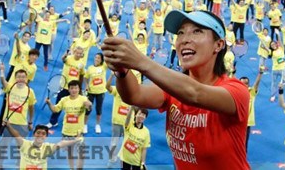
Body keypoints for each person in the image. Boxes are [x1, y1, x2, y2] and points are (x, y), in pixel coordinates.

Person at [101, 10, 250, 170]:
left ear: (218, 44)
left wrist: (141, 61)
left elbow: (195, 94)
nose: (184, 39)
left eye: (197, 31)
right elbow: (134, 95)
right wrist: (122, 71)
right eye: (180, 33)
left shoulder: (237, 91)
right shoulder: (173, 89)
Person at [45, 79, 92, 170]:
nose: (74, 90)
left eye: (76, 88)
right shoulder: (64, 100)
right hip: (67, 132)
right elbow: (55, 110)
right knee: (69, 153)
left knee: (81, 154)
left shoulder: (83, 99)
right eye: (72, 88)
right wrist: (49, 103)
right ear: (69, 89)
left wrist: (89, 105)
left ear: (79, 89)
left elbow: (89, 108)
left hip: (79, 133)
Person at [4, 123, 81, 170]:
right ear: (34, 134)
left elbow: (61, 143)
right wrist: (8, 126)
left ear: (46, 136)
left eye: (43, 134)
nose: (40, 135)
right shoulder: (25, 144)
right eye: (38, 133)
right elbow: (16, 135)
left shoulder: (48, 147)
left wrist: (76, 140)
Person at [84, 52, 107, 134]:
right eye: (96, 57)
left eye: (99, 58)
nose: (97, 59)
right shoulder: (90, 68)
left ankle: (97, 125)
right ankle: (85, 125)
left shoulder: (104, 66)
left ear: (101, 60)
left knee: (98, 109)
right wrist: (86, 85)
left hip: (101, 92)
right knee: (88, 109)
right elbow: (86, 78)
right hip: (91, 92)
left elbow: (108, 58)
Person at [240, 70, 263, 151]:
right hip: (236, 122)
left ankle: (242, 160)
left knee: (244, 143)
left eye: (246, 83)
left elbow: (256, 84)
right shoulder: (236, 92)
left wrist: (260, 74)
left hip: (247, 123)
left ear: (248, 85)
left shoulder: (251, 93)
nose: (244, 85)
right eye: (242, 83)